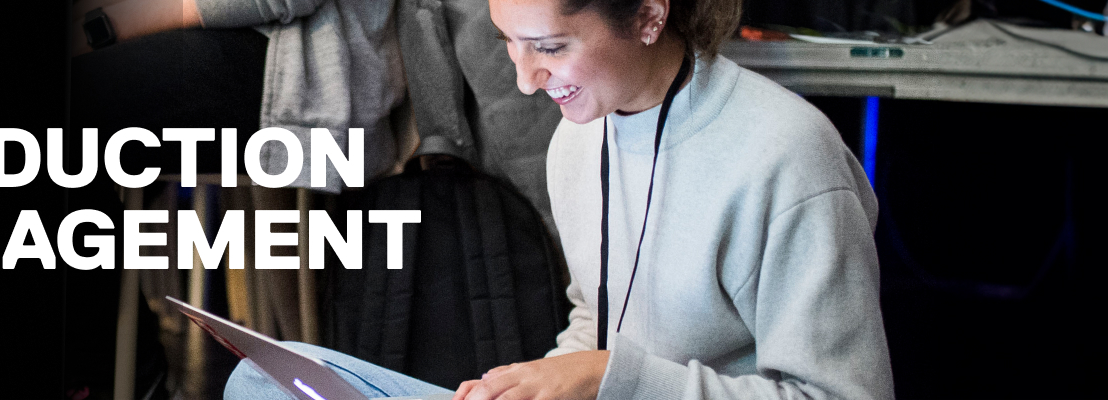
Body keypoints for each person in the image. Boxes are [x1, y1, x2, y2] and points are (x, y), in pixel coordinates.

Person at [225, 0, 896, 397]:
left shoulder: (788, 156)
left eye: (549, 47)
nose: (525, 81)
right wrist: (535, 382)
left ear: (649, 16)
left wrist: (607, 379)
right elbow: (593, 318)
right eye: (509, 44)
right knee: (261, 381)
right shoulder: (578, 139)